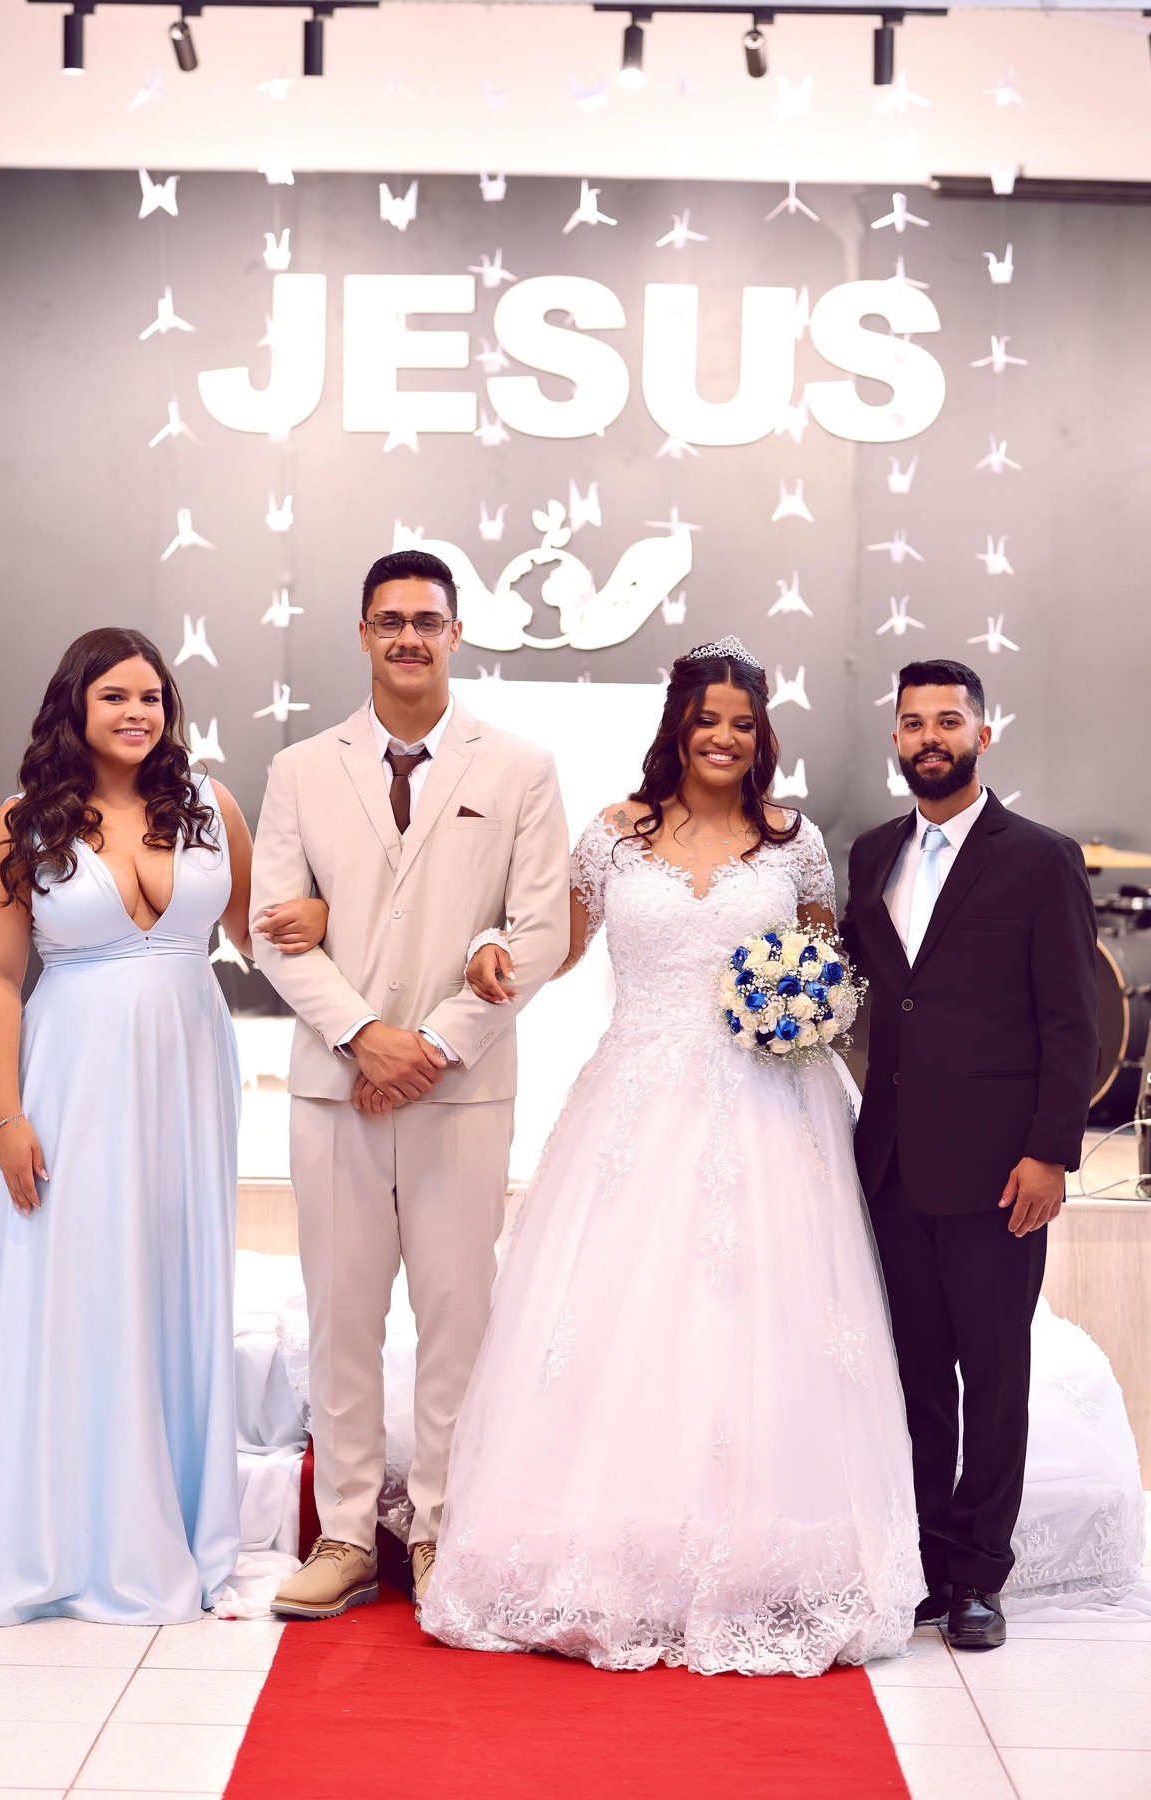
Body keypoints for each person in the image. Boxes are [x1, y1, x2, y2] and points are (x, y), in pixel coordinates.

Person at [419, 637, 925, 1677]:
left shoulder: (795, 844)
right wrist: (489, 950)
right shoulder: (615, 835)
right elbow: (557, 948)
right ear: (678, 729)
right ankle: (616, 1552)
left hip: (771, 1108)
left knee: (764, 1320)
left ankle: (767, 1556)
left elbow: (826, 966)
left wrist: (804, 1010)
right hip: (636, 1107)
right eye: (708, 722)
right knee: (625, 1315)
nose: (724, 739)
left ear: (761, 736)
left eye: (742, 724)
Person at [0, 627, 328, 1626]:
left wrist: (320, 919)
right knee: (76, 1283)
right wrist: (6, 1115)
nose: (136, 713)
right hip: (70, 1078)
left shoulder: (210, 807)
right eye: (114, 696)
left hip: (190, 1074)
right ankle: (60, 1535)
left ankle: (166, 1524)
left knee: (170, 1281)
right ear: (73, 707)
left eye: (151, 697)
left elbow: (257, 936)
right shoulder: (24, 824)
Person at [249, 549, 569, 1622]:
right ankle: (346, 1533)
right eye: (389, 620)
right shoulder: (302, 769)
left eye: (427, 621)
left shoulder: (518, 768)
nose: (408, 638)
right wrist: (363, 1037)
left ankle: (441, 1529)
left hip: (459, 1091)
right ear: (362, 633)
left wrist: (428, 1044)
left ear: (456, 633)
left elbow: (539, 930)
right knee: (341, 1316)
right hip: (334, 1087)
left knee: (456, 1316)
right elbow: (274, 929)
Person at [839, 658, 1098, 1651]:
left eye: (948, 721)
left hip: (999, 1172)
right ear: (896, 739)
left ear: (983, 735)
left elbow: (1069, 1020)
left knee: (991, 1376)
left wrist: (1051, 1153)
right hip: (892, 1163)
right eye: (914, 723)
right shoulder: (872, 853)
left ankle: (982, 1577)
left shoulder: (1039, 858)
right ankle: (925, 1564)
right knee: (915, 1376)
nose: (930, 738)